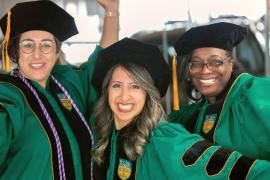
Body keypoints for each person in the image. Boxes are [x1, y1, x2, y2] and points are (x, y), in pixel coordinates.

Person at [91, 37, 270, 180]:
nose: (124, 95)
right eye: (116, 85)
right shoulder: (101, 134)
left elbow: (233, 169)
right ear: (106, 91)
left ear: (148, 95)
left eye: (135, 86)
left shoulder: (166, 140)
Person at [0, 0, 119, 179]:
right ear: (16, 51)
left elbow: (103, 63)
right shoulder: (8, 95)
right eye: (28, 45)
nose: (37, 53)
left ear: (57, 51)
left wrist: (112, 12)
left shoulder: (67, 85)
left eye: (46, 45)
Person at [169, 22, 270, 161]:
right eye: (196, 63)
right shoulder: (193, 115)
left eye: (215, 62)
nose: (205, 70)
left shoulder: (256, 93)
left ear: (230, 64)